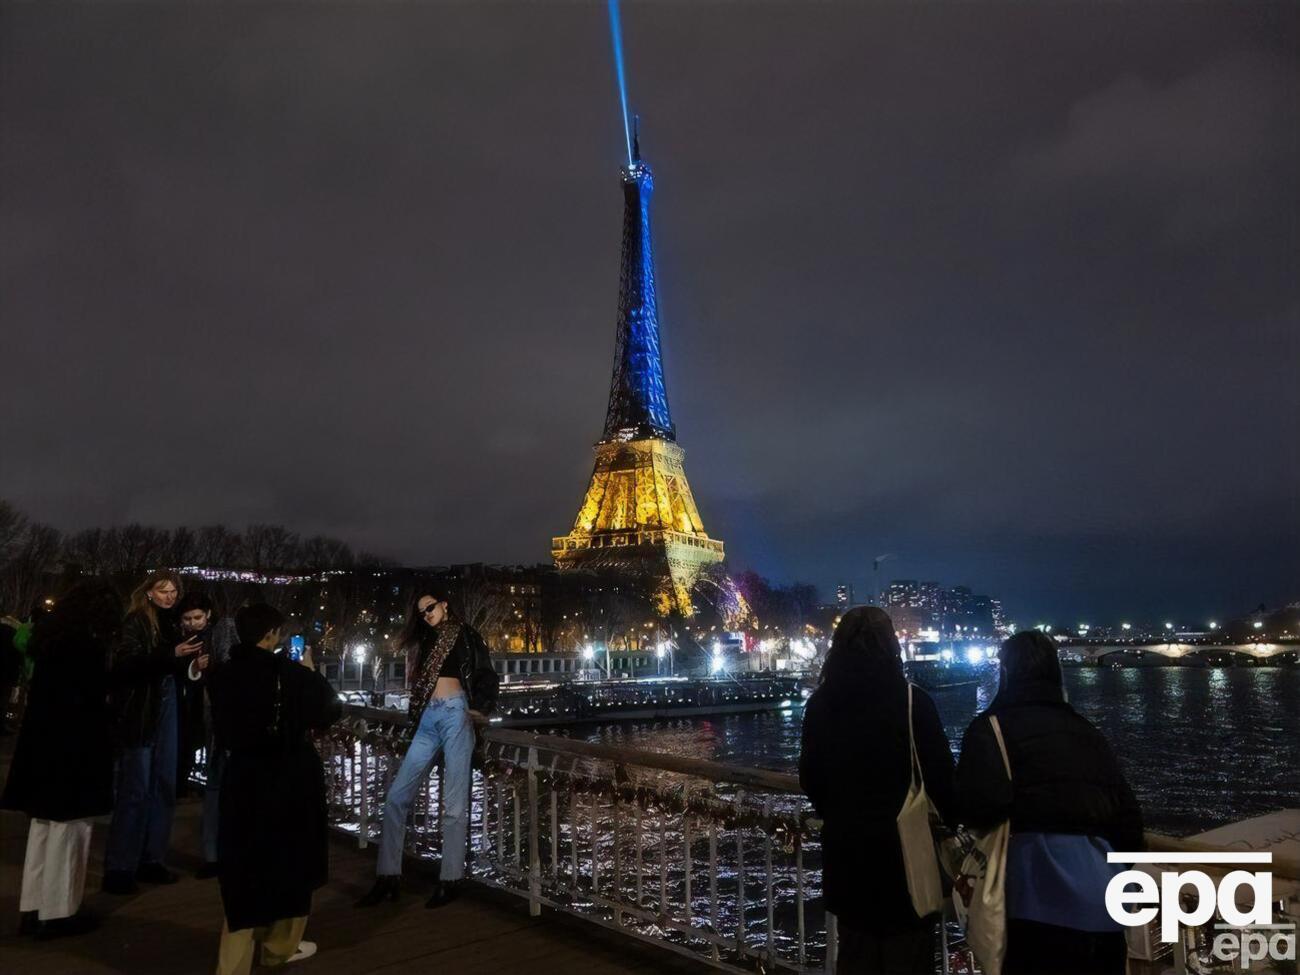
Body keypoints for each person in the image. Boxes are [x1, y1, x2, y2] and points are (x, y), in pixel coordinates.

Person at [955, 630, 1143, 975]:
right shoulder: (1088, 732)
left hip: (1033, 902)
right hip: (1105, 907)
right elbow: (1131, 827)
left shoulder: (991, 728)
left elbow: (978, 808)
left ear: (1006, 674)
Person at [799, 607, 955, 974]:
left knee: (855, 954)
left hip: (849, 859)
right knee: (909, 958)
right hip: (906, 862)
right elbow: (945, 785)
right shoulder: (913, 702)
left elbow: (812, 779)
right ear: (892, 647)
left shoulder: (821, 704)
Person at [209, 603, 342, 975]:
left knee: (243, 874)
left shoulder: (223, 675)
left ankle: (232, 963)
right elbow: (329, 711)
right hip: (288, 777)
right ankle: (279, 947)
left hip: (243, 778)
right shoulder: (289, 673)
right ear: (271, 634)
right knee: (291, 865)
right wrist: (311, 673)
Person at [356, 590, 499, 909]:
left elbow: (486, 673)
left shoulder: (466, 635)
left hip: (455, 714)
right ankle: (388, 876)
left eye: (430, 607)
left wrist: (483, 706)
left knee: (453, 805)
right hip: (428, 717)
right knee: (395, 798)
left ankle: (450, 879)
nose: (426, 614)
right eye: (421, 611)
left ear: (445, 605)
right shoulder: (426, 640)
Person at [2, 582, 120, 938]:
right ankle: (59, 911)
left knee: (42, 832)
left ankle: (33, 907)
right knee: (69, 835)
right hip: (73, 754)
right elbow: (92, 707)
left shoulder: (49, 643)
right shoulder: (87, 648)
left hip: (42, 751)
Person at [104, 569, 200, 894]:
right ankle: (120, 867)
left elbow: (171, 667)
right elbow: (126, 665)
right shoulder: (135, 622)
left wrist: (192, 666)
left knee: (163, 784)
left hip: (166, 704)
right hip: (142, 710)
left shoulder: (173, 625)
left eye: (173, 592)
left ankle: (151, 859)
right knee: (136, 789)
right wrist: (171, 656)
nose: (170, 597)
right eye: (163, 591)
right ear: (148, 592)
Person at [175, 590, 240, 877]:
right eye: (188, 619)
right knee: (215, 788)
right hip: (204, 720)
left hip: (220, 717)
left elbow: (229, 668)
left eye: (197, 617)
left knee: (220, 787)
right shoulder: (182, 639)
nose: (193, 623)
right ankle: (213, 855)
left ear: (208, 615)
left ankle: (219, 854)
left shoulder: (222, 632)